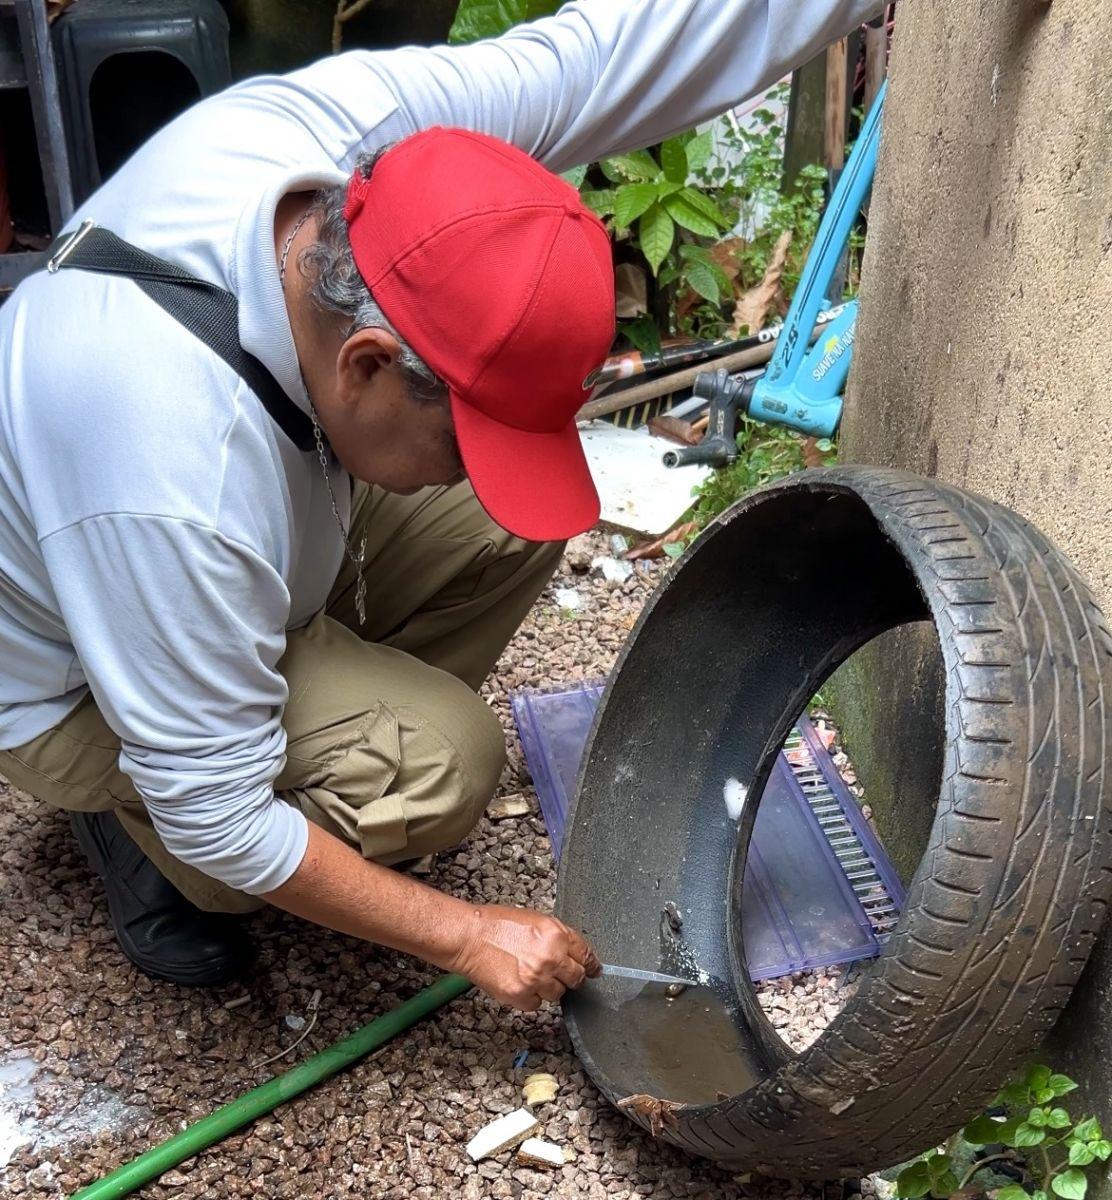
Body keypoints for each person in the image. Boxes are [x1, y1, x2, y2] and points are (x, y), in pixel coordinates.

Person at [0, 0, 881, 1011]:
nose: (471, 468)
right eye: (466, 439)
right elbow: (222, 820)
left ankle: (266, 720)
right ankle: (138, 817)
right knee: (439, 762)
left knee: (500, 530)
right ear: (368, 361)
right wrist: (467, 936)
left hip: (202, 541)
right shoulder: (169, 469)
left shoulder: (353, 142)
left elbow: (601, 58)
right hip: (67, 669)